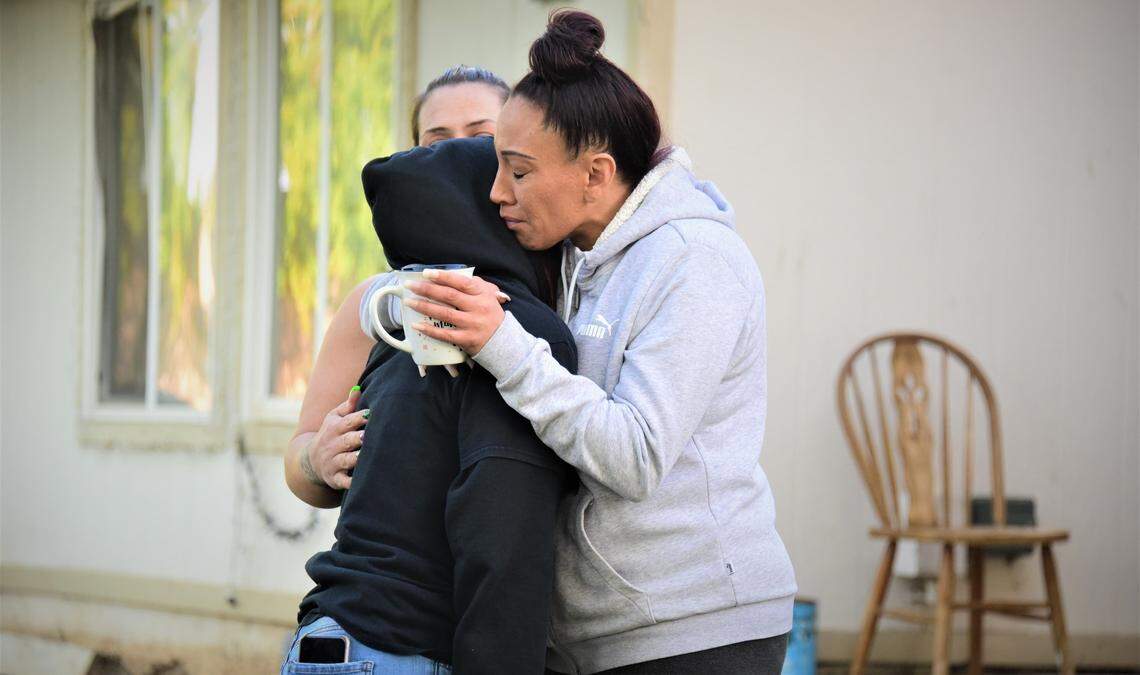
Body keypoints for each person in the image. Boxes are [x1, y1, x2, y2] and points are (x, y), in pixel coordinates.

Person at [388, 10, 797, 674]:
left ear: (596, 174)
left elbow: (634, 456)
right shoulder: (575, 264)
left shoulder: (696, 261)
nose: (496, 193)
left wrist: (504, 342)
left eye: (518, 172)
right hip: (597, 639)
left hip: (697, 633)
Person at [280, 137, 577, 674]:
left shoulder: (398, 335)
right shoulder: (513, 334)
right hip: (402, 649)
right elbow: (502, 545)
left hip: (325, 638)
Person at [283, 66, 510, 507]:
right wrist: (318, 457)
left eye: (482, 139)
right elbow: (299, 462)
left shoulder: (566, 275)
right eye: (438, 143)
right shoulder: (379, 301)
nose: (458, 156)